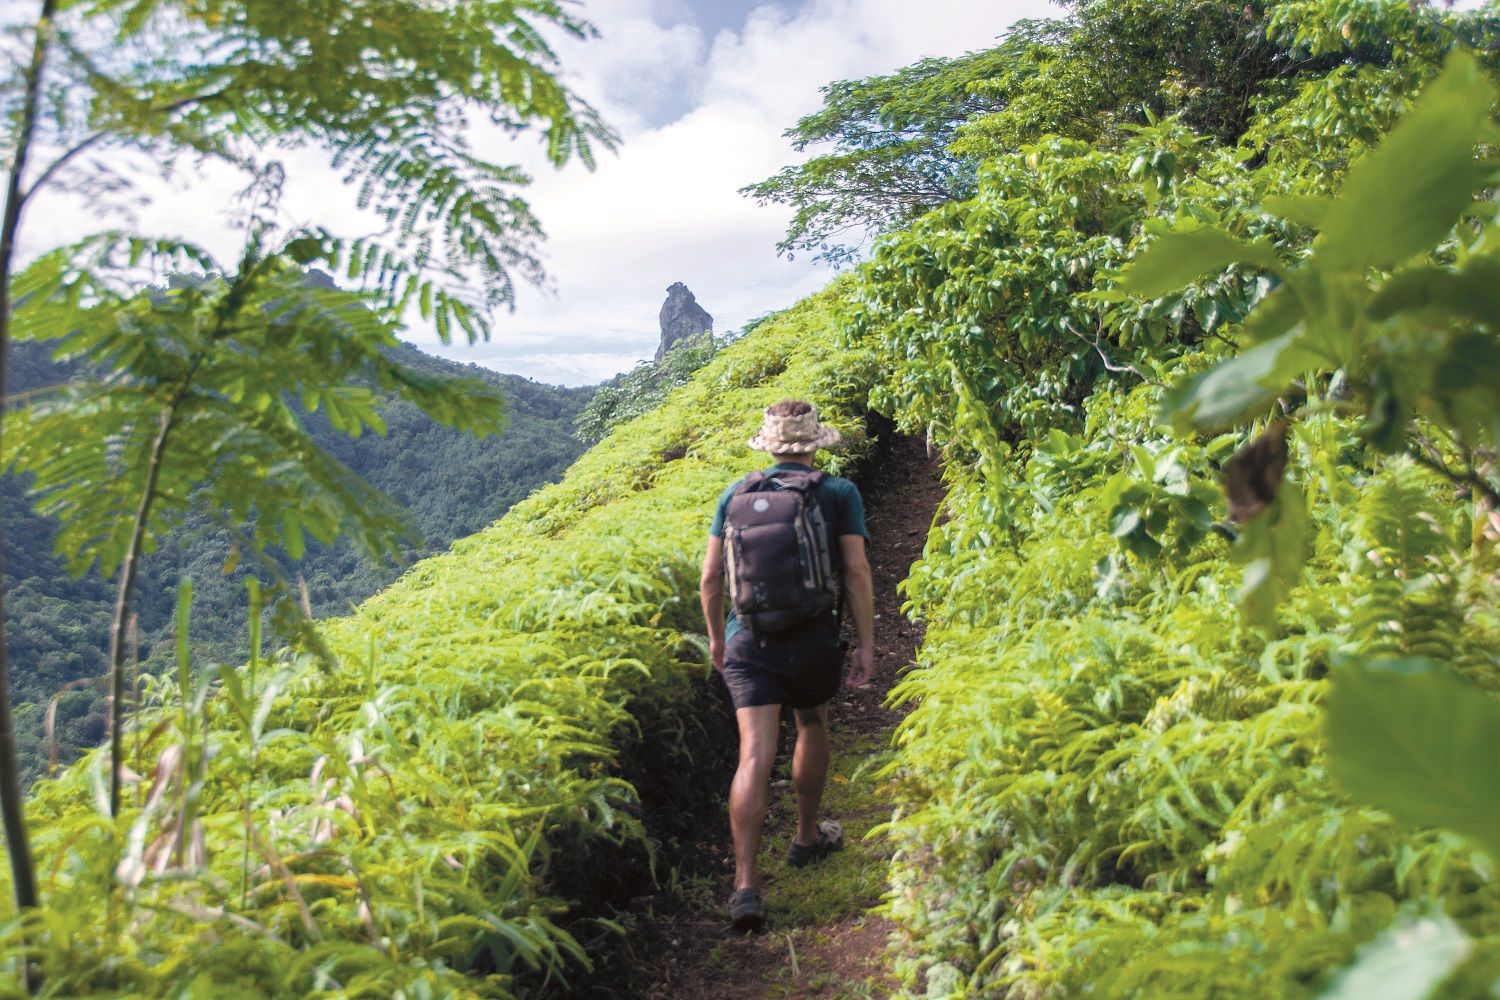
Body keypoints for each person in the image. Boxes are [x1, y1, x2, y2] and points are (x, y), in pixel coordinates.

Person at [698, 400, 876, 931]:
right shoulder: (838, 492)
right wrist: (866, 643)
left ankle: (745, 885)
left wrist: (715, 639)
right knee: (811, 722)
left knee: (753, 753)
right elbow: (856, 570)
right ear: (815, 443)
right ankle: (805, 838)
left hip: (747, 638)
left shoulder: (736, 494)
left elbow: (710, 579)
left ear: (770, 446)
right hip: (812, 637)